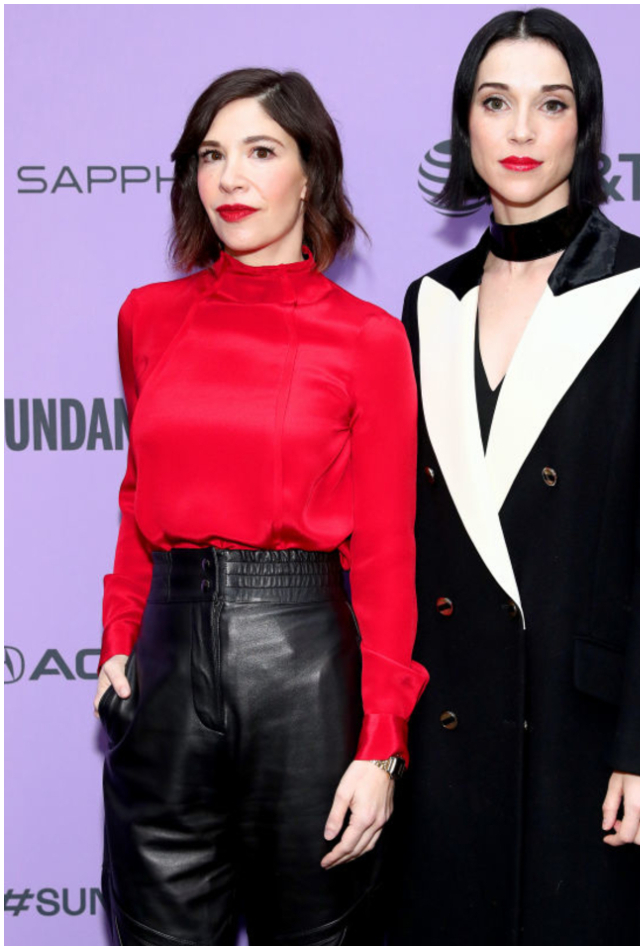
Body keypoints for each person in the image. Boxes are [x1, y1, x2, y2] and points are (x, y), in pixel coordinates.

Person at [387, 8, 640, 946]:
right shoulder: (427, 306)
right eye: (498, 103)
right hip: (447, 750)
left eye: (552, 103)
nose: (524, 130)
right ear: (466, 127)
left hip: (591, 750)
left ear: (586, 126)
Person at [94, 67, 428, 947]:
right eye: (211, 155)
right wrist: (119, 641)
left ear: (310, 172)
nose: (230, 179)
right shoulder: (147, 319)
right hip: (164, 677)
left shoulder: (367, 338)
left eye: (260, 151)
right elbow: (140, 493)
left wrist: (381, 737)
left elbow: (387, 545)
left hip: (306, 679)